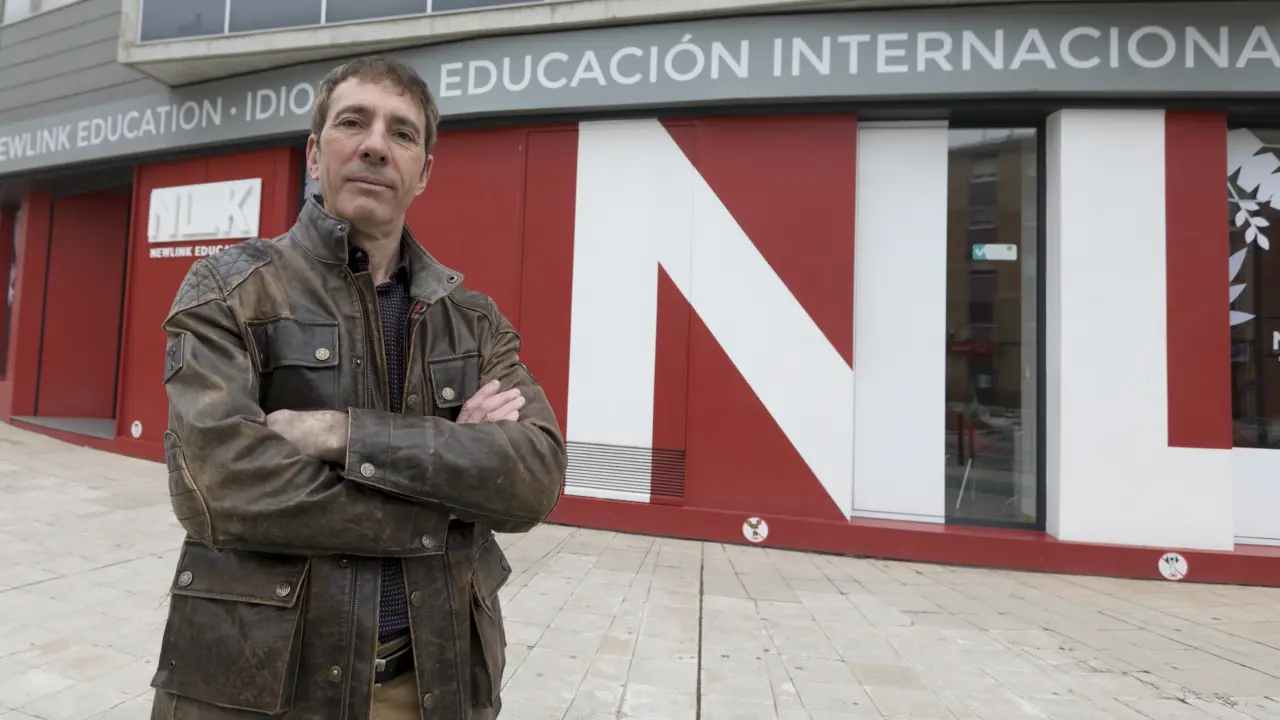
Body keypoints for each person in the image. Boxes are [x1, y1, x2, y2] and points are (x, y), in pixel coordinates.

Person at [148, 55, 567, 719]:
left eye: (402, 132)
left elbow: (534, 478)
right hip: (260, 689)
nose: (375, 144)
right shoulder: (230, 290)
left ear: (423, 172)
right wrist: (448, 487)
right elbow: (217, 487)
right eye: (353, 122)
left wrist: (340, 434)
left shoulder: (473, 322)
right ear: (315, 155)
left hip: (431, 686)